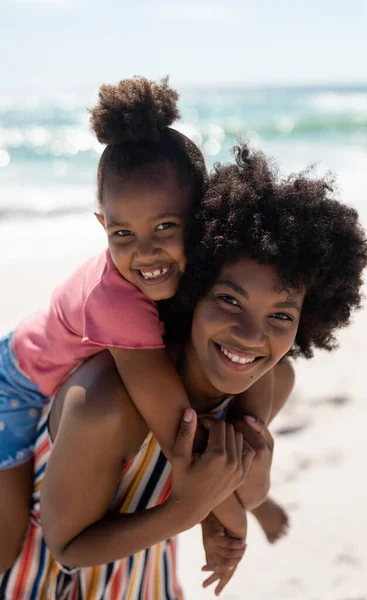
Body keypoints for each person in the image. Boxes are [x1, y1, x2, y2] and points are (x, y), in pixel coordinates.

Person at [0, 143, 367, 598]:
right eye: (229, 300)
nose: (251, 337)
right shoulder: (105, 405)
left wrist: (250, 499)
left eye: (281, 316)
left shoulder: (272, 381)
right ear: (192, 289)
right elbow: (68, 549)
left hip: (144, 576)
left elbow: (217, 484)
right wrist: (193, 512)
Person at [0, 76, 269, 573]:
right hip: (16, 384)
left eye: (165, 226)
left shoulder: (201, 269)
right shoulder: (116, 300)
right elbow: (176, 433)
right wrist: (227, 523)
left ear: (202, 215)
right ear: (103, 226)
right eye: (123, 233)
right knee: (7, 540)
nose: (145, 252)